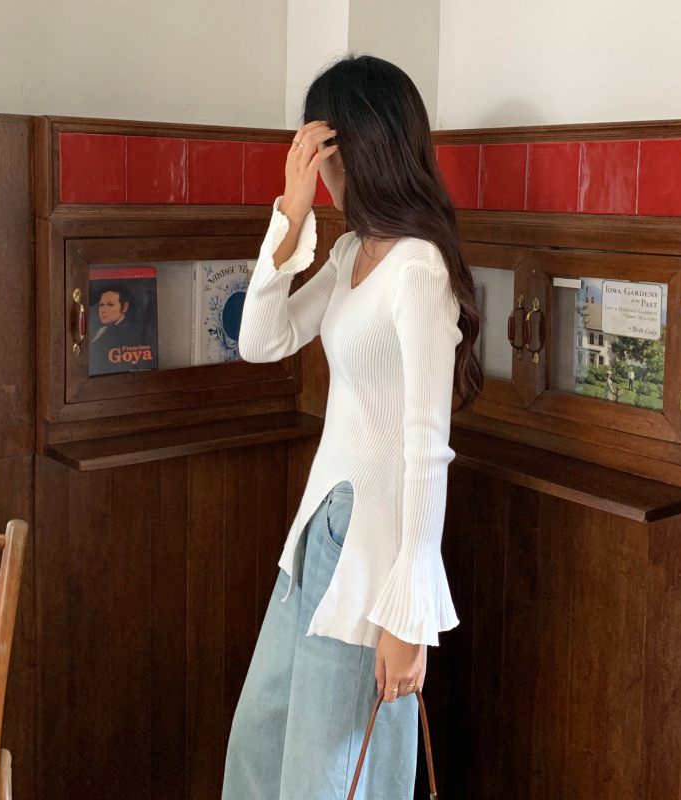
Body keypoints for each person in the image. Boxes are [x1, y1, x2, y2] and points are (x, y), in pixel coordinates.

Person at [222, 54, 483, 799]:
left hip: (371, 549)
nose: (319, 169)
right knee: (259, 749)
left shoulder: (418, 270)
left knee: (327, 775)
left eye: (323, 151)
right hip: (316, 536)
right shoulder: (349, 251)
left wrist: (411, 615)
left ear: (360, 148)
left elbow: (426, 449)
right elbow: (260, 340)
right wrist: (290, 214)